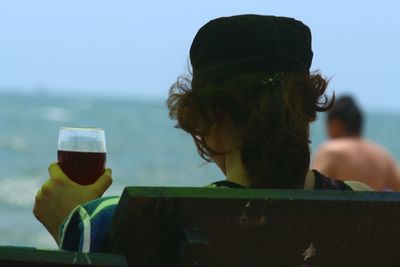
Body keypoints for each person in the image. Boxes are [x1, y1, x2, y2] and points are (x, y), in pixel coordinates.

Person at [33, 14, 370, 253]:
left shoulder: (145, 223)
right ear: (308, 111)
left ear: (212, 122)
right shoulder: (364, 204)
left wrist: (76, 225)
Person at [313, 95, 400, 191]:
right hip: (373, 206)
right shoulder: (383, 156)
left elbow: (313, 190)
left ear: (335, 123)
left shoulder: (330, 151)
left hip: (342, 206)